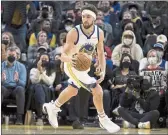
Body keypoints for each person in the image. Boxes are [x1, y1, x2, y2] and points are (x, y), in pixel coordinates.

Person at [43, 4, 120, 133]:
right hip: (71, 65)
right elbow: (62, 55)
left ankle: (53, 107)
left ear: (94, 18)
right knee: (97, 90)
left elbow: (100, 52)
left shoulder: (99, 33)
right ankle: (103, 118)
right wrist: (70, 60)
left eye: (88, 16)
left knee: (73, 90)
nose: (85, 19)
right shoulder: (74, 32)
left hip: (84, 66)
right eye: (83, 16)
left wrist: (102, 69)